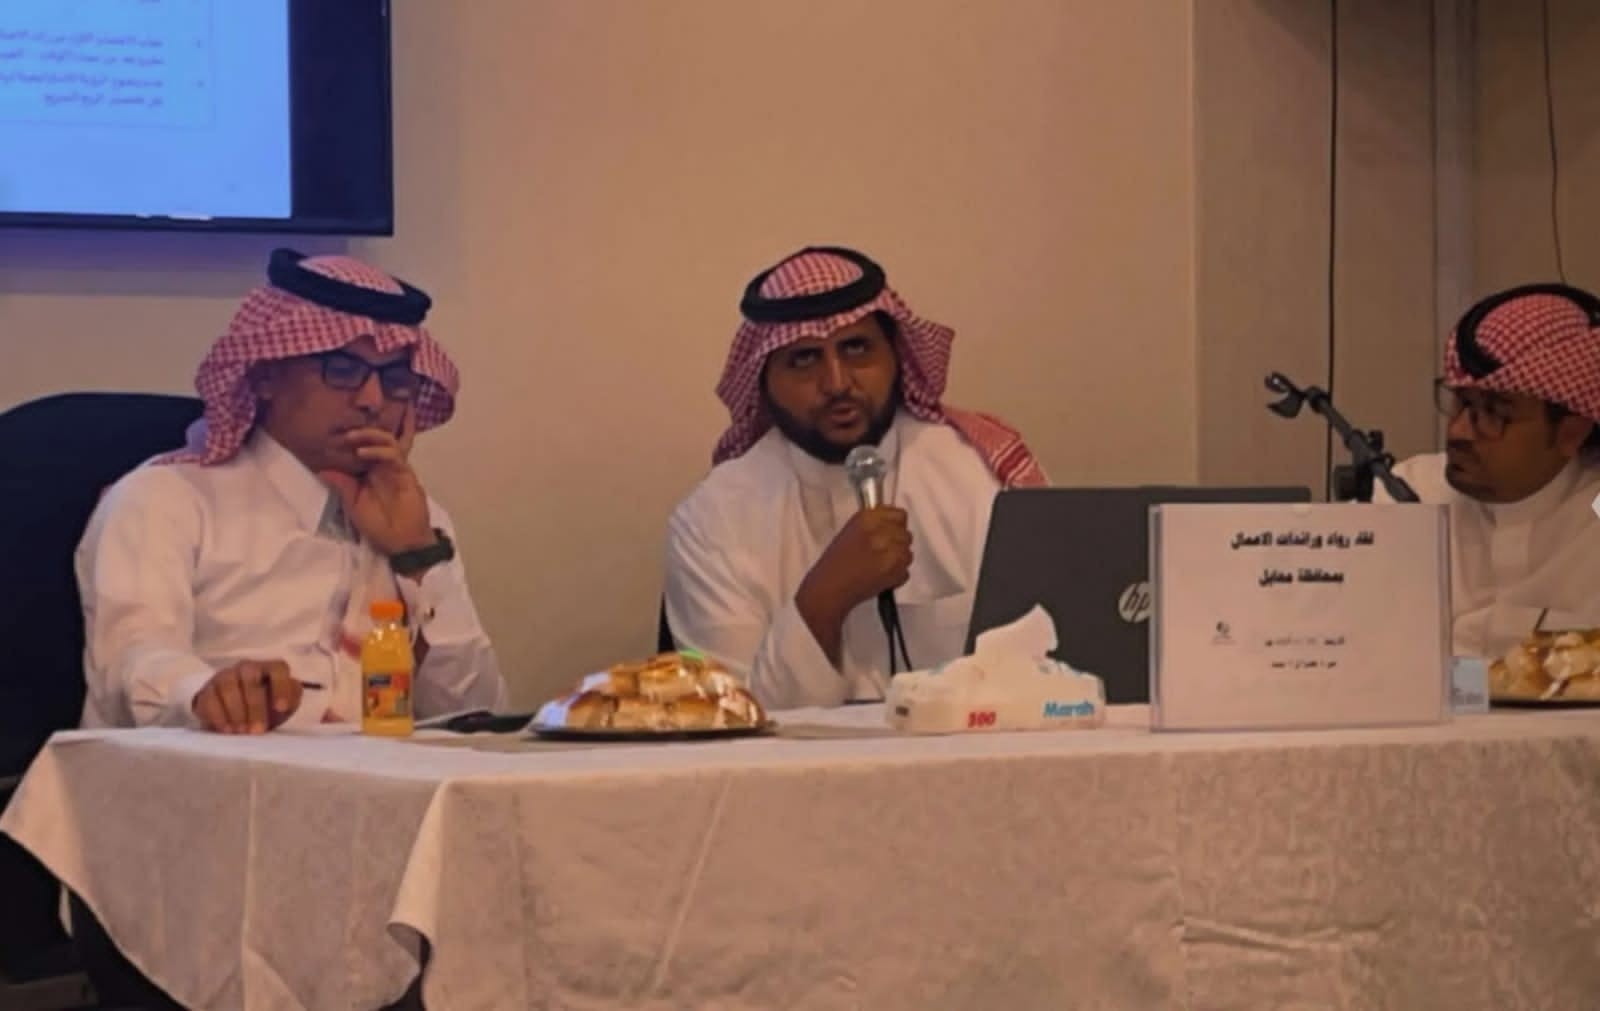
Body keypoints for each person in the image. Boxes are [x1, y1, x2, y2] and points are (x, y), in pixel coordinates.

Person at [77, 248, 507, 733]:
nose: (372, 400)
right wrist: (205, 692)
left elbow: (477, 713)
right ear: (266, 376)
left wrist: (418, 556)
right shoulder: (165, 498)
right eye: (341, 369)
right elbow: (133, 659)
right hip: (214, 769)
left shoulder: (419, 520)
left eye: (395, 379)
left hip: (381, 776)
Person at [664, 245, 1047, 708]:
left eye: (856, 348)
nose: (837, 383)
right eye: (804, 359)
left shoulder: (975, 473)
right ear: (764, 380)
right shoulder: (712, 520)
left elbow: (1047, 668)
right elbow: (732, 716)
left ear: (896, 356)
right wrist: (825, 598)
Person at [1377, 283, 1600, 658]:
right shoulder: (1410, 494)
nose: (1459, 431)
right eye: (1462, 403)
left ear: (1571, 433)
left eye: (1494, 414)